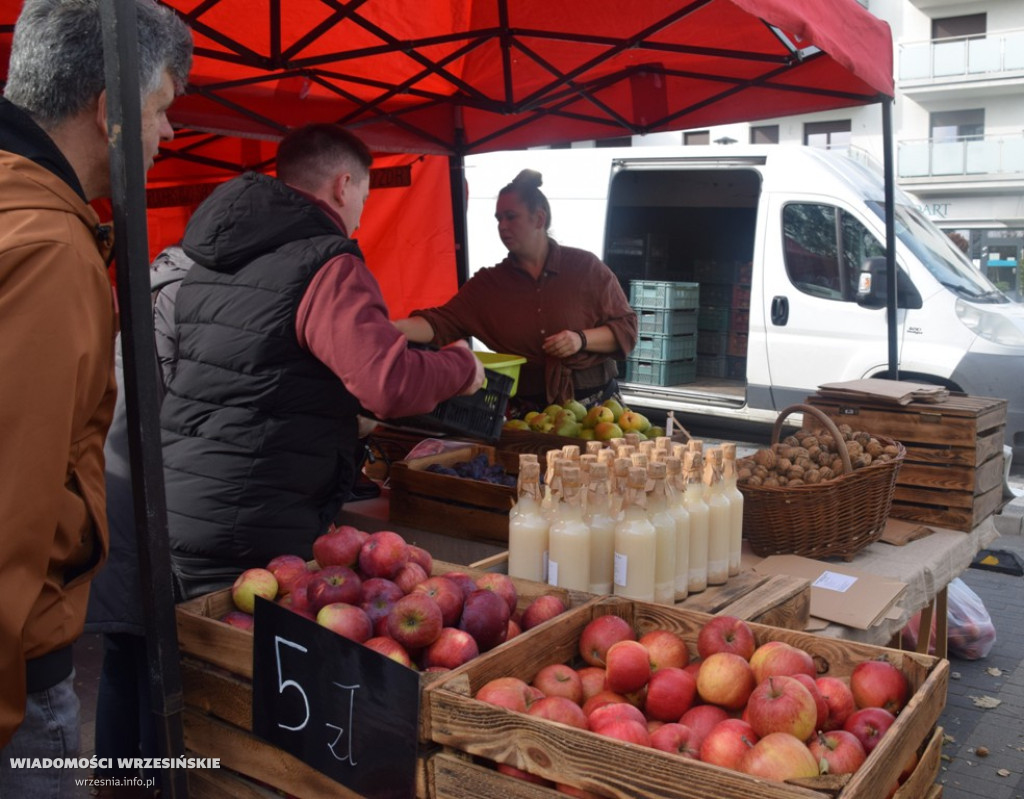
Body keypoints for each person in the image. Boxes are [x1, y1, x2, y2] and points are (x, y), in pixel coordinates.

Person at [160, 123, 485, 599]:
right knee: (246, 666)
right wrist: (461, 369)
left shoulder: (212, 260)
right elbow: (387, 382)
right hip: (254, 520)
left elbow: (254, 371)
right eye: (364, 199)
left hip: (182, 504)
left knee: (190, 656)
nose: (358, 217)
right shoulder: (325, 263)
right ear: (343, 185)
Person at [0, 0, 192, 794]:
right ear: (110, 110)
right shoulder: (49, 247)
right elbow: (9, 505)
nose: (170, 135)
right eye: (161, 110)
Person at [84, 245, 193, 794]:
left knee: (123, 651)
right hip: (147, 494)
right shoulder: (190, 294)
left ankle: (113, 780)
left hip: (111, 481)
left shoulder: (147, 281)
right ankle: (151, 785)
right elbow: (176, 409)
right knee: (155, 658)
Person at [395, 168, 638, 410]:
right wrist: (389, 328)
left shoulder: (585, 268)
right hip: (526, 415)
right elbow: (440, 323)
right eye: (498, 218)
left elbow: (626, 329)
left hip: (597, 410)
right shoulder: (488, 285)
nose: (502, 226)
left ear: (539, 219)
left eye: (511, 216)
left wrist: (580, 339)